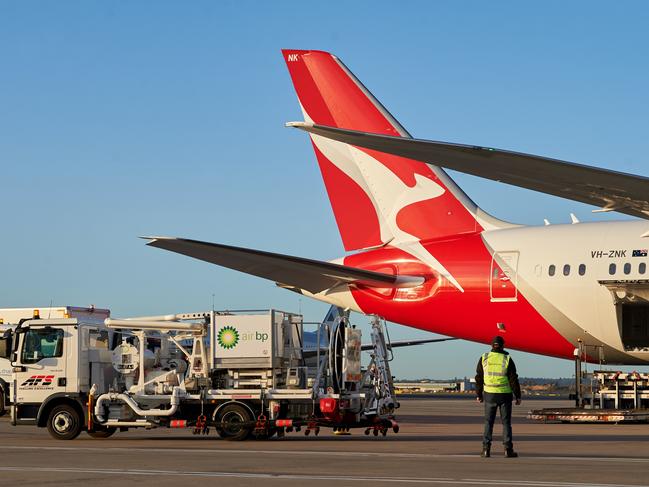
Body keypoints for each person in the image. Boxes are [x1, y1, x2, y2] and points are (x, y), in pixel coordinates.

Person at [475, 335, 521, 458]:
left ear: (492, 346)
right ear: (503, 345)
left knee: (488, 422)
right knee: (506, 423)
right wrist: (518, 396)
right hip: (505, 394)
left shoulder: (484, 358)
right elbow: (513, 379)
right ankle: (508, 449)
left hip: (489, 394)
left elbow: (479, 377)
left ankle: (486, 450)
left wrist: (479, 394)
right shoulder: (507, 359)